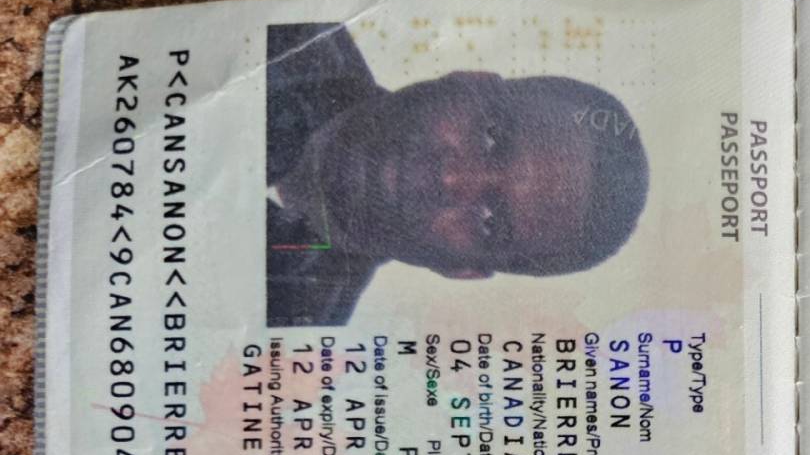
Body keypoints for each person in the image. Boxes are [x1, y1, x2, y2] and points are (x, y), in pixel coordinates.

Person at [266, 23, 650, 328]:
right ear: (470, 80)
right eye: (491, 137)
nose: (451, 178)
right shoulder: (287, 32)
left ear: (461, 269)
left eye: (489, 220)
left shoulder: (291, 340)